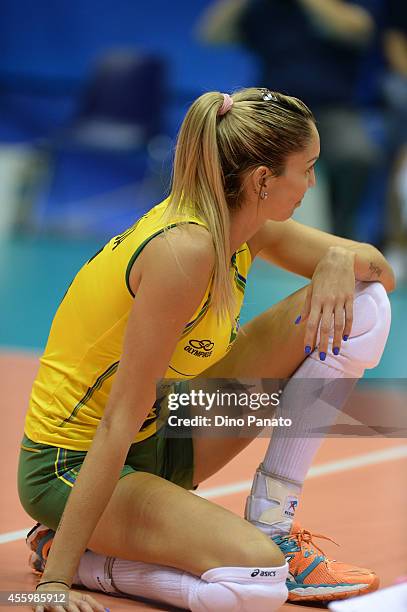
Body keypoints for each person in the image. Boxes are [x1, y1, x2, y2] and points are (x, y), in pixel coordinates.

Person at [18, 87, 395, 612]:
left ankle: (273, 520)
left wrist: (336, 257)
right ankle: (72, 554)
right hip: (71, 466)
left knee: (366, 302)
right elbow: (118, 418)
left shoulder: (245, 227)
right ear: (263, 179)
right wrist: (55, 584)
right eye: (306, 169)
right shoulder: (185, 250)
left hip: (165, 430)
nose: (312, 182)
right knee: (258, 581)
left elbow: (381, 271)